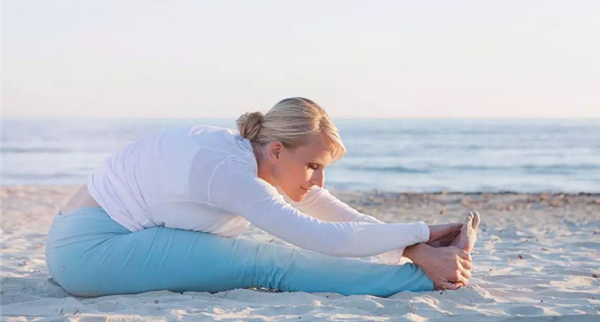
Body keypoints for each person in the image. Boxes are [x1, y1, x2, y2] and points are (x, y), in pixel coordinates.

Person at [45, 97, 479, 298]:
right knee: (269, 264)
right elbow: (321, 238)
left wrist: (413, 244)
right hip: (92, 251)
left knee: (264, 256)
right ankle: (422, 281)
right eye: (313, 166)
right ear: (277, 150)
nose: (320, 181)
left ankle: (428, 266)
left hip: (77, 236)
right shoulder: (230, 174)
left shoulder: (244, 156)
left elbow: (330, 215)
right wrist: (423, 237)